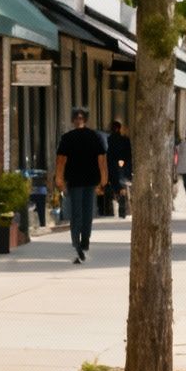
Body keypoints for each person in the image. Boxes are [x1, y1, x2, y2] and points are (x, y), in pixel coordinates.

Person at [54, 107, 107, 263]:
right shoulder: (95, 137)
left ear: (73, 120)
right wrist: (103, 180)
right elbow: (101, 160)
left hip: (75, 181)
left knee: (76, 213)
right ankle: (85, 242)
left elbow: (61, 160)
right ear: (86, 119)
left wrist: (59, 179)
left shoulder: (67, 138)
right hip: (90, 180)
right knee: (87, 213)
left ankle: (76, 242)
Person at [106, 119, 132, 221]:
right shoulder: (125, 140)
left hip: (112, 166)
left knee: (115, 184)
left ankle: (115, 207)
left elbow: (107, 154)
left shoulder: (109, 139)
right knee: (121, 185)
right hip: (121, 165)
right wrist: (126, 165)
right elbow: (129, 155)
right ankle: (121, 207)